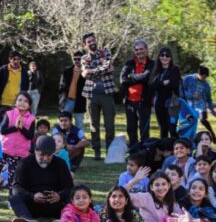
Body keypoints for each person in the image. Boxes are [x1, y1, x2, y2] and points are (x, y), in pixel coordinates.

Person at [124, 171, 198, 222]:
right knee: (167, 220)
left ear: (169, 185)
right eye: (157, 185)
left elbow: (182, 220)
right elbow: (122, 194)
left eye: (163, 184)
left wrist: (186, 220)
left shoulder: (171, 203)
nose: (161, 188)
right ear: (151, 187)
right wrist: (135, 180)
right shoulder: (146, 197)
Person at [9, 136, 74, 222]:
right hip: (32, 204)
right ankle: (26, 219)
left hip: (55, 204)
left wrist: (59, 195)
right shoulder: (24, 163)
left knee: (76, 194)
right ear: (35, 151)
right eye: (42, 155)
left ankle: (65, 218)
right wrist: (32, 196)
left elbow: (69, 187)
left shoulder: (60, 163)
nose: (45, 158)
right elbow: (16, 187)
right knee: (14, 198)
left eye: (49, 155)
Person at [81, 33, 116, 161]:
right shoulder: (84, 57)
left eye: (92, 40)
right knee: (93, 124)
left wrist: (93, 70)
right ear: (85, 45)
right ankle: (97, 152)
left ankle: (110, 151)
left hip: (107, 93)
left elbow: (110, 67)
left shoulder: (105, 52)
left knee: (109, 125)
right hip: (91, 94)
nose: (91, 42)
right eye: (88, 41)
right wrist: (101, 69)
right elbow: (84, 74)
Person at [120, 40, 154, 147]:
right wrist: (139, 77)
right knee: (131, 129)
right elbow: (122, 80)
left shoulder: (151, 64)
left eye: (141, 49)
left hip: (144, 102)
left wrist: (132, 76)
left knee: (144, 129)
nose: (139, 51)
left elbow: (147, 77)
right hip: (130, 101)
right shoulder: (129, 63)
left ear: (146, 50)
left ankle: (144, 151)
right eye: (137, 49)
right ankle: (134, 151)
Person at [0, 92, 36, 188]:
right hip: (4, 150)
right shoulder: (9, 114)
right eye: (19, 100)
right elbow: (2, 131)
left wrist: (22, 128)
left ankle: (12, 200)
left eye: (26, 101)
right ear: (15, 103)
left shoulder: (31, 119)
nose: (22, 103)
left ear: (29, 105)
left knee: (14, 179)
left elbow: (30, 136)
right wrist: (15, 127)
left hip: (19, 154)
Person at [148, 47, 181, 138]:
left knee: (172, 127)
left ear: (170, 58)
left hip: (171, 102)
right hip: (159, 101)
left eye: (167, 55)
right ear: (159, 57)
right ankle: (165, 149)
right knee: (163, 128)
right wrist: (163, 83)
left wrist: (160, 84)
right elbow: (151, 85)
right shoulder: (156, 69)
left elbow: (174, 84)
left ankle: (175, 149)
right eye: (162, 55)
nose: (164, 57)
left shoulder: (175, 69)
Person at [180, 66, 216, 143]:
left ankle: (212, 134)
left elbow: (208, 99)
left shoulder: (206, 85)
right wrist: (191, 95)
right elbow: (181, 91)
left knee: (203, 120)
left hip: (201, 105)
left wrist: (212, 109)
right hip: (189, 105)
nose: (204, 79)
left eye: (205, 77)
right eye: (203, 77)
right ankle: (187, 139)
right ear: (198, 74)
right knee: (190, 123)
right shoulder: (188, 79)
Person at [58, 51, 87, 129]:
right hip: (68, 100)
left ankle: (80, 140)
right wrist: (61, 97)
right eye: (75, 59)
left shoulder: (86, 72)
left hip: (80, 100)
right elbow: (61, 86)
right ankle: (62, 139)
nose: (77, 61)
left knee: (79, 123)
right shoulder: (67, 71)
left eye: (79, 59)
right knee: (64, 122)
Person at [0, 51, 29, 116]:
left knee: (15, 125)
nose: (16, 61)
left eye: (18, 59)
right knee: (3, 124)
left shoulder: (24, 71)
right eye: (14, 59)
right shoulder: (3, 70)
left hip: (18, 103)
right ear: (10, 59)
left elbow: (26, 86)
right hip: (4, 102)